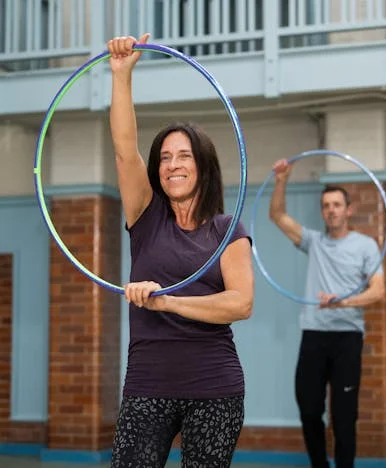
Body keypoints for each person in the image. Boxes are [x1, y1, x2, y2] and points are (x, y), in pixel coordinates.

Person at [106, 33, 255, 468]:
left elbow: (240, 303)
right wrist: (121, 76)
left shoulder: (228, 229)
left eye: (184, 155)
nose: (173, 165)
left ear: (202, 165)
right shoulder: (145, 216)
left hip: (215, 387)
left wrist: (165, 300)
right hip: (147, 384)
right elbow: (123, 150)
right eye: (165, 157)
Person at [268, 158, 386, 468]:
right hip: (314, 335)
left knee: (345, 416)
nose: (331, 210)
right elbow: (277, 215)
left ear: (348, 210)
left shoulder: (365, 246)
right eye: (325, 205)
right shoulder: (314, 242)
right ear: (322, 212)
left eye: (336, 204)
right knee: (308, 410)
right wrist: (282, 179)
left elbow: (378, 290)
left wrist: (342, 303)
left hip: (347, 336)